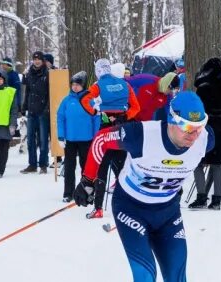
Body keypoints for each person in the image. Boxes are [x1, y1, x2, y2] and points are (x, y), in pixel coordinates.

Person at [73, 91, 214, 282]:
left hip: (167, 215)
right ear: (171, 121)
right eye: (188, 128)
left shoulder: (205, 139)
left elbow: (212, 139)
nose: (194, 134)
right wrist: (87, 180)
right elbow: (100, 143)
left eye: (199, 126)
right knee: (146, 280)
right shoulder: (142, 135)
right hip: (131, 210)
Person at [81, 58, 141, 219]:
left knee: (102, 170)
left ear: (98, 71)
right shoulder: (124, 84)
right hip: (121, 129)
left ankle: (98, 208)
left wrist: (95, 111)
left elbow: (84, 99)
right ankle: (129, 207)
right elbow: (136, 107)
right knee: (122, 170)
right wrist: (125, 116)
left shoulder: (97, 85)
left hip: (105, 129)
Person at [189, 58, 221, 211]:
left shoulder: (203, 89)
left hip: (205, 129)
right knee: (217, 165)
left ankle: (201, 197)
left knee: (198, 164)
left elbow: (196, 112)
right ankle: (216, 200)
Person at [57, 70, 100, 202]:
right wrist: (61, 136)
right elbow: (60, 118)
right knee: (69, 167)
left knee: (86, 168)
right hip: (70, 140)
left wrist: (96, 137)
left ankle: (87, 191)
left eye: (78, 85)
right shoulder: (66, 100)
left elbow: (96, 119)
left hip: (86, 140)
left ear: (83, 86)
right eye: (73, 84)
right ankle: (68, 193)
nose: (75, 87)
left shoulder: (90, 100)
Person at [20, 51, 50, 174]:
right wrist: (24, 106)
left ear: (42, 61)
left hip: (43, 111)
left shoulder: (47, 74)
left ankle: (43, 164)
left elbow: (50, 93)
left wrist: (47, 108)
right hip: (31, 111)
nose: (36, 61)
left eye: (39, 59)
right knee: (30, 139)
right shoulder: (29, 74)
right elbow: (27, 91)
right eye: (34, 59)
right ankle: (32, 164)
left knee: (43, 140)